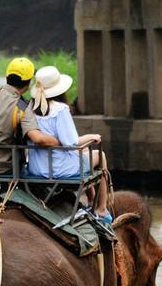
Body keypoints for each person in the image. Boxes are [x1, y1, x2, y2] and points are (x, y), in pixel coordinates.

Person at [24, 65, 110, 218]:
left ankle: (90, 200)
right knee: (99, 155)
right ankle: (101, 208)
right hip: (59, 169)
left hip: (37, 168)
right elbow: (71, 143)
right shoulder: (60, 109)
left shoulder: (29, 107)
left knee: (83, 156)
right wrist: (91, 137)